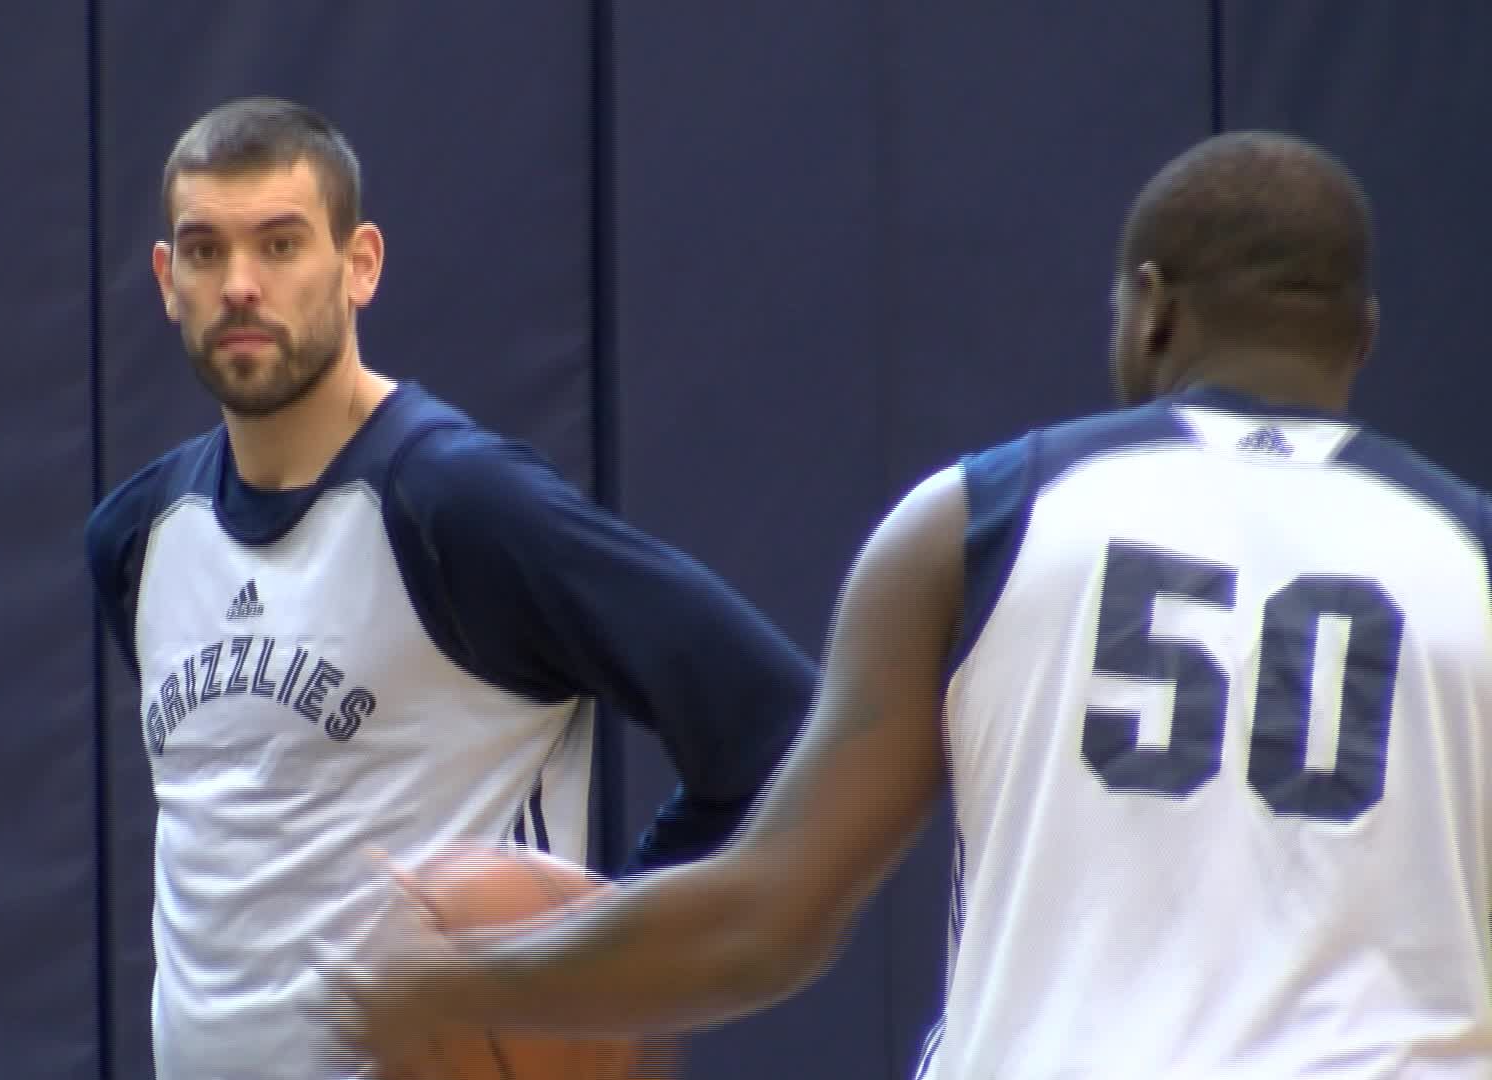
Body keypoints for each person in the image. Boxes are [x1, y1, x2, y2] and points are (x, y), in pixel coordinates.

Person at [334, 131, 1492, 1077]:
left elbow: (764, 920)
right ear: (1363, 339)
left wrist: (456, 985)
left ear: (1150, 310)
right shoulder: (1470, 556)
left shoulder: (984, 517)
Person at [82, 96, 815, 1079]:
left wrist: (596, 959)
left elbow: (775, 724)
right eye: (206, 252)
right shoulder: (138, 537)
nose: (241, 285)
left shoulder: (455, 504)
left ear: (360, 266)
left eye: (282, 245)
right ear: (169, 281)